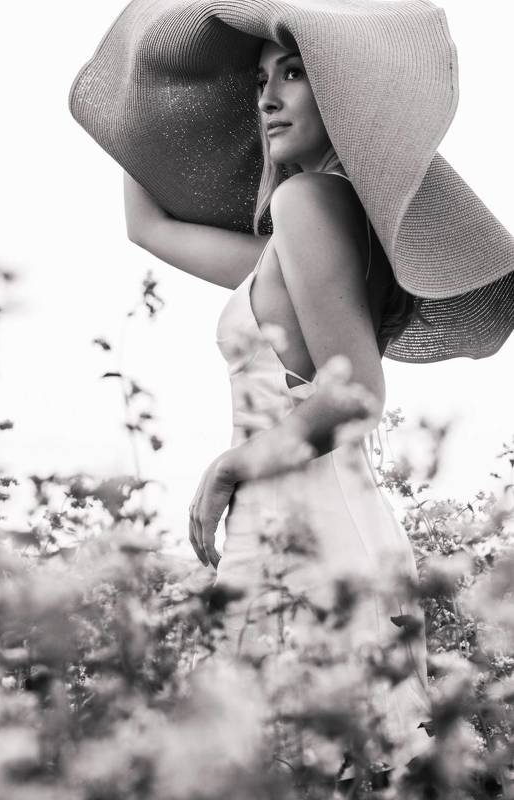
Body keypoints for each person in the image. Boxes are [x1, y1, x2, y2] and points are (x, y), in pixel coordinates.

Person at [124, 39, 432, 780]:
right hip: (308, 527)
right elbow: (148, 228)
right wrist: (138, 92)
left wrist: (233, 464)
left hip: (309, 533)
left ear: (341, 94)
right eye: (260, 79)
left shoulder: (308, 201)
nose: (267, 97)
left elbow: (356, 393)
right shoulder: (307, 228)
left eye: (293, 74)